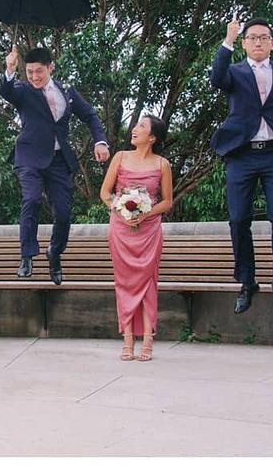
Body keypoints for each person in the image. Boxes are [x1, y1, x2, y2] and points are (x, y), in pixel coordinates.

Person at [209, 17, 273, 317]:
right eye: (252, 37)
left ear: (272, 43)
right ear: (244, 42)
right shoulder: (234, 72)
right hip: (241, 155)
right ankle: (247, 281)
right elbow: (216, 79)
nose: (257, 42)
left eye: (263, 38)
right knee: (239, 220)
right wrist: (226, 40)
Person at [0, 46, 109, 284]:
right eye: (29, 72)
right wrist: (9, 70)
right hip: (29, 157)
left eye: (39, 71)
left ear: (51, 67)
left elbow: (90, 115)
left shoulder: (67, 90)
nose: (35, 77)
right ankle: (27, 256)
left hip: (59, 161)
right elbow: (7, 91)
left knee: (63, 213)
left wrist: (100, 141)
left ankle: (54, 252)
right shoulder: (22, 90)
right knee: (31, 200)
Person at [99, 114, 173, 361]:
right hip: (121, 230)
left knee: (148, 282)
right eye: (136, 125)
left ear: (152, 137)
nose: (134, 129)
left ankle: (148, 341)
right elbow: (105, 193)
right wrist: (121, 209)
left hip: (149, 231)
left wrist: (145, 213)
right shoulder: (120, 157)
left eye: (141, 126)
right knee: (124, 283)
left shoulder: (162, 164)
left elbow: (167, 201)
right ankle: (128, 340)